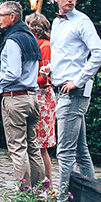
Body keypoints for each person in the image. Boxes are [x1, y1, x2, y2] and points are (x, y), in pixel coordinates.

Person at [48, 0, 101, 187]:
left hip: (73, 93)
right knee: (81, 152)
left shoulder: (82, 21)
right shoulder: (56, 23)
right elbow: (66, 56)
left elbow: (100, 53)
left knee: (65, 153)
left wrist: (78, 80)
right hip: (61, 90)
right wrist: (51, 69)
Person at [0, 0, 41, 190]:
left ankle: (24, 194)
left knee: (18, 149)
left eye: (1, 15)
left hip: (16, 98)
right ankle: (40, 193)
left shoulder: (13, 40)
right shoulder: (30, 37)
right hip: (32, 97)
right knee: (33, 148)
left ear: (12, 17)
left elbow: (13, 72)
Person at [27, 11, 58, 186]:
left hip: (43, 98)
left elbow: (46, 77)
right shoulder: (37, 45)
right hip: (35, 95)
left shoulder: (45, 46)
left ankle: (48, 184)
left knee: (41, 146)